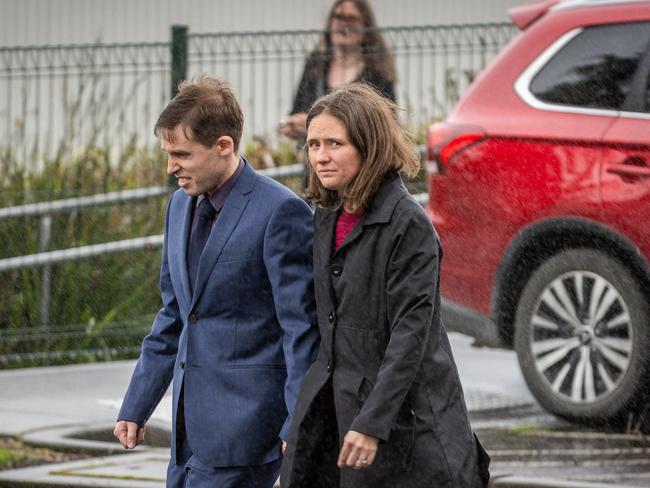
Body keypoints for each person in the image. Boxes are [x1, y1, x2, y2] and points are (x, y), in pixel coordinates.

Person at [280, 83, 491, 488]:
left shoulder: (408, 224)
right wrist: (301, 424)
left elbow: (410, 336)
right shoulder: (326, 215)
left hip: (409, 423)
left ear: (368, 146)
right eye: (312, 144)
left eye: (334, 144)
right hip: (338, 412)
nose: (320, 157)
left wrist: (372, 423)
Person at [113, 75, 319, 488]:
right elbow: (175, 315)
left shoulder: (282, 212)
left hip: (249, 433)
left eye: (182, 154)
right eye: (168, 153)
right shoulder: (177, 206)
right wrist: (136, 406)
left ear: (223, 146)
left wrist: (297, 425)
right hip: (187, 438)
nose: (171, 167)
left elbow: (302, 330)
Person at [279, 0, 396, 142]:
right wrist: (292, 125)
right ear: (330, 23)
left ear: (365, 27)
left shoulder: (377, 72)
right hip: (316, 159)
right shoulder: (315, 66)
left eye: (351, 19)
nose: (344, 24)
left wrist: (314, 122)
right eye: (338, 17)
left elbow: (385, 125)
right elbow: (296, 110)